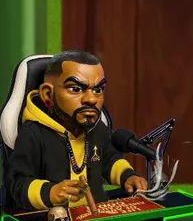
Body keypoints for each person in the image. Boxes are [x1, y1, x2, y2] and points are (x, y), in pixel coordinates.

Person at [3, 51, 148, 213]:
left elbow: (110, 159)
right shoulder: (33, 134)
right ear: (48, 94)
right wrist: (50, 192)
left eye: (98, 90)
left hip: (97, 214)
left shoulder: (98, 129)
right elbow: (17, 182)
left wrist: (127, 176)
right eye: (76, 89)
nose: (91, 99)